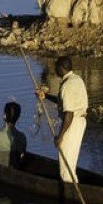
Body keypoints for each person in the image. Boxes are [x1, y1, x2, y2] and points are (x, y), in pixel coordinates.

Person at [38, 55, 89, 184]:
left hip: (72, 123)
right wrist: (46, 97)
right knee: (70, 163)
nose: (55, 69)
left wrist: (60, 136)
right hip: (79, 122)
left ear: (62, 68)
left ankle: (71, 192)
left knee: (65, 167)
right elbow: (65, 103)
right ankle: (74, 185)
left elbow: (69, 114)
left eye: (56, 67)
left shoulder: (67, 86)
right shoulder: (77, 79)